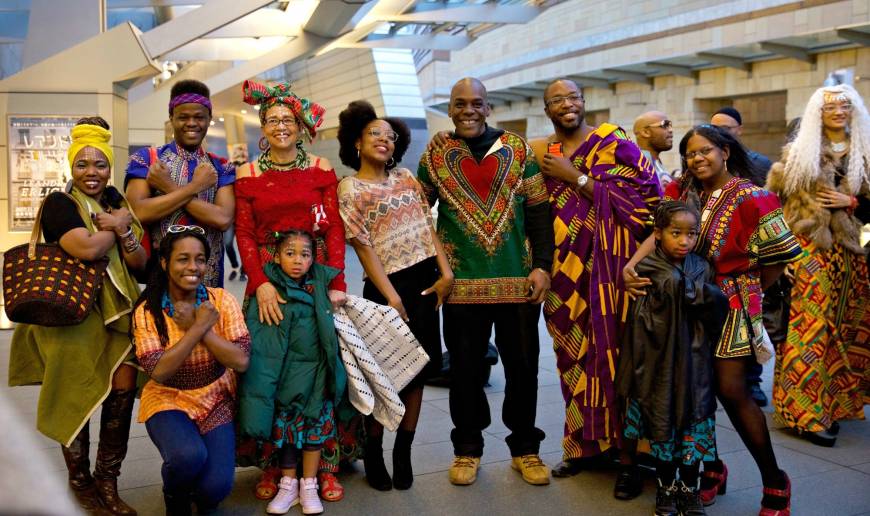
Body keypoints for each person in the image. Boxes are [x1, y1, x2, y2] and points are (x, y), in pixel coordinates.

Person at [624, 125, 802, 515]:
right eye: (690, 153)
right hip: (681, 305)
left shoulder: (755, 198)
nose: (697, 158)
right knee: (692, 388)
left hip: (731, 305)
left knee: (731, 390)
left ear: (724, 151)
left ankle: (775, 482)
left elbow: (779, 255)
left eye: (705, 150)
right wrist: (631, 268)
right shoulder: (679, 192)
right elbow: (658, 235)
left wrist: (749, 290)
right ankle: (713, 470)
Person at [418, 77, 554, 487]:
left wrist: (543, 266)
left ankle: (525, 449)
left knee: (524, 369)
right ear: (451, 108)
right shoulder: (437, 153)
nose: (468, 110)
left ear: (488, 107)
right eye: (460, 104)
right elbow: (419, 214)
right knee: (463, 372)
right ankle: (467, 449)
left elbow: (539, 212)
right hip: (461, 285)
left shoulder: (517, 148)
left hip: (518, 280)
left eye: (476, 103)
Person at [528, 79, 661, 499]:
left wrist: (578, 178)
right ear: (547, 110)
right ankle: (584, 447)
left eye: (572, 98)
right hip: (563, 275)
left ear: (584, 102)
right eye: (556, 101)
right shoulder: (543, 153)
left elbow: (649, 205)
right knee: (572, 360)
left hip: (611, 272)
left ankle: (628, 459)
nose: (566, 105)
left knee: (614, 360)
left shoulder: (613, 143)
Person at [9, 117, 147, 515]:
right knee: (76, 399)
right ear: (71, 165)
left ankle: (108, 482)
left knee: (121, 394)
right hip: (73, 321)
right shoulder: (59, 204)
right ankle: (80, 484)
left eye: (100, 164)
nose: (92, 172)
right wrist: (118, 225)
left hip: (119, 319)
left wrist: (123, 227)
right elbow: (85, 249)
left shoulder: (116, 201)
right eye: (83, 164)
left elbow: (139, 264)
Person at [233, 80, 351, 502]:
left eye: (287, 119)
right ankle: (273, 465)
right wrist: (261, 283)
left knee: (321, 368)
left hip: (315, 278)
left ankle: (326, 468)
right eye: (272, 120)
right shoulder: (246, 173)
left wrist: (336, 283)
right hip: (269, 284)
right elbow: (244, 233)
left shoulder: (320, 169)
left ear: (300, 126)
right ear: (261, 126)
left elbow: (333, 226)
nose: (280, 126)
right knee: (269, 372)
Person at [336, 100, 454, 491]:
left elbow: (428, 227)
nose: (384, 140)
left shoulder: (407, 178)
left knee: (418, 371)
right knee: (386, 372)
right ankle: (374, 450)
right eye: (375, 134)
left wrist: (447, 272)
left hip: (425, 282)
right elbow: (363, 247)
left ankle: (403, 451)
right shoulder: (349, 188)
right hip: (386, 287)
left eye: (390, 136)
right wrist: (392, 298)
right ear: (357, 143)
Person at [767, 84, 870, 447]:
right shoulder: (798, 157)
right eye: (830, 107)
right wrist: (786, 255)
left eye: (845, 104)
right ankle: (805, 413)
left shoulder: (865, 154)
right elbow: (775, 211)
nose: (838, 111)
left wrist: (852, 201)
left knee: (843, 328)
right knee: (810, 329)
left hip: (852, 256)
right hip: (809, 252)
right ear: (818, 113)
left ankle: (833, 403)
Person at [616, 201, 727, 516]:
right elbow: (639, 325)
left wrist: (699, 294)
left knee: (691, 429)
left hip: (694, 365)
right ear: (658, 233)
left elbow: (716, 310)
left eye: (691, 234)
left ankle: (689, 488)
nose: (684, 241)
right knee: (663, 427)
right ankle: (666, 487)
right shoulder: (647, 269)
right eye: (675, 233)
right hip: (658, 364)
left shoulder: (703, 267)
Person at [133, 227, 251, 515]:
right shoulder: (148, 311)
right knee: (187, 455)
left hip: (215, 398)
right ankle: (175, 496)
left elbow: (241, 361)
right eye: (183, 259)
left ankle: (196, 488)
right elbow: (159, 372)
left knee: (215, 489)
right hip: (167, 398)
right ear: (164, 263)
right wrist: (195, 328)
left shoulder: (221, 300)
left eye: (200, 259)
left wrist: (202, 328)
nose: (193, 267)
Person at [238, 229, 345, 515]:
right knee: (284, 432)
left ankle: (309, 484)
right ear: (277, 255)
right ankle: (288, 484)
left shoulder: (322, 283)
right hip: (284, 379)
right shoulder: (269, 289)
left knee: (313, 433)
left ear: (313, 259)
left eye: (305, 254)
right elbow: (262, 344)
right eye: (290, 253)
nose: (298, 260)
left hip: (317, 376)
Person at [125, 79, 235, 288]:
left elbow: (222, 218)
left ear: (209, 118)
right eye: (183, 117)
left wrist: (169, 187)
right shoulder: (146, 160)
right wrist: (195, 187)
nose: (191, 123)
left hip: (208, 281)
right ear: (171, 118)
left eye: (199, 117)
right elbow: (137, 212)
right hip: (159, 280)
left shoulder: (222, 167)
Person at [711, 106, 772, 407]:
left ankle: (754, 381)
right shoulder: (702, 166)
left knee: (751, 328)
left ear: (740, 130)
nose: (721, 131)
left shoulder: (759, 164)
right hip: (714, 270)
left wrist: (762, 280)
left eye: (727, 127)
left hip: (749, 264)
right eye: (715, 127)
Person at [633, 110, 675, 186]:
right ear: (646, 132)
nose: (671, 130)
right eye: (664, 125)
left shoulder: (657, 164)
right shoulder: (636, 167)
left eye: (670, 125)